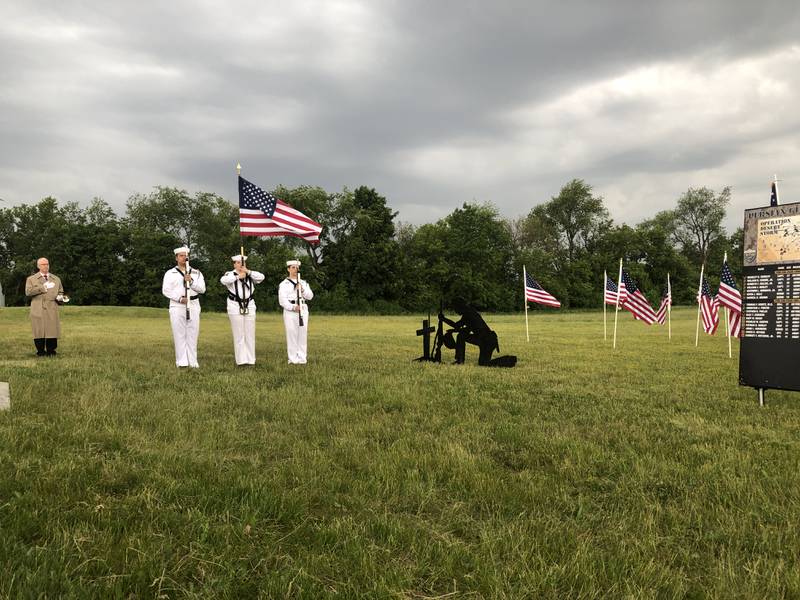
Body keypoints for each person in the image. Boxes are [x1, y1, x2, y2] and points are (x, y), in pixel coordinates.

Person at [162, 246, 206, 368]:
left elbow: (202, 289)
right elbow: (166, 290)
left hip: (193, 304)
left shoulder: (196, 273)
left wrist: (191, 281)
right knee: (179, 333)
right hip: (177, 305)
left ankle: (193, 361)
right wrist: (179, 298)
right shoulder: (170, 273)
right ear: (176, 258)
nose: (184, 258)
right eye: (181, 256)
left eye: (186, 255)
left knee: (193, 333)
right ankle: (181, 361)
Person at [220, 254, 265, 366]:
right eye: (239, 263)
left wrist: (248, 272)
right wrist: (237, 276)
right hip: (235, 304)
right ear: (234, 264)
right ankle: (241, 360)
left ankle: (251, 359)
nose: (241, 265)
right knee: (239, 333)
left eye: (243, 263)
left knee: (250, 333)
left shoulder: (250, 274)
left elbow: (261, 277)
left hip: (249, 304)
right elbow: (223, 281)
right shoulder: (230, 274)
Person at [438, 297, 499, 365]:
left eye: (455, 308)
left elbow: (457, 326)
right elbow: (467, 329)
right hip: (488, 340)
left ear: (459, 307)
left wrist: (443, 319)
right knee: (483, 363)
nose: (455, 311)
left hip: (486, 341)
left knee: (484, 364)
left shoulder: (468, 314)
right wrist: (454, 331)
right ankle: (459, 360)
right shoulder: (470, 312)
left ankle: (460, 361)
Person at [25, 257, 66, 356]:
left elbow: (61, 291)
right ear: (38, 266)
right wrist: (43, 288)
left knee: (52, 329)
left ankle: (51, 351)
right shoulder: (31, 279)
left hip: (52, 307)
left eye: (47, 264)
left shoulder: (56, 279)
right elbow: (28, 292)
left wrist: (61, 298)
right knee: (39, 330)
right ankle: (40, 351)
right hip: (38, 308)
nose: (46, 266)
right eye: (43, 264)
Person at [278, 259, 313, 364]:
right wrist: (293, 307)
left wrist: (302, 289)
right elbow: (282, 300)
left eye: (296, 268)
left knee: (302, 334)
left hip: (303, 309)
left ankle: (302, 358)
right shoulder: (284, 284)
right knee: (292, 334)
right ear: (288, 269)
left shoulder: (303, 283)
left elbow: (310, 296)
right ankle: (292, 359)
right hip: (290, 311)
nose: (295, 269)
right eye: (293, 267)